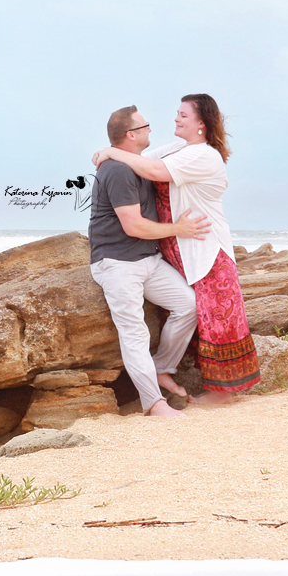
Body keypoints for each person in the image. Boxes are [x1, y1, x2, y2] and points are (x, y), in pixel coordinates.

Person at [93, 94, 258, 403]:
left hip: (204, 248)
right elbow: (144, 160)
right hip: (177, 250)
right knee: (198, 311)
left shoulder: (204, 155)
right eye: (177, 113)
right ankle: (164, 370)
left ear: (201, 124)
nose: (175, 119)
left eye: (183, 115)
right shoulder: (180, 148)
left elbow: (154, 172)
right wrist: (113, 152)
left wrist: (110, 152)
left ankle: (221, 394)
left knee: (218, 319)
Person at [87, 105, 210, 418]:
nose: (151, 131)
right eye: (145, 127)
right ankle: (154, 404)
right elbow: (133, 226)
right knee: (134, 332)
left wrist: (108, 150)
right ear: (131, 135)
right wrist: (179, 229)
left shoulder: (140, 161)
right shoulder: (115, 171)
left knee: (189, 305)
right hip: (116, 263)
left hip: (148, 260)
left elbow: (184, 145)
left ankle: (161, 367)